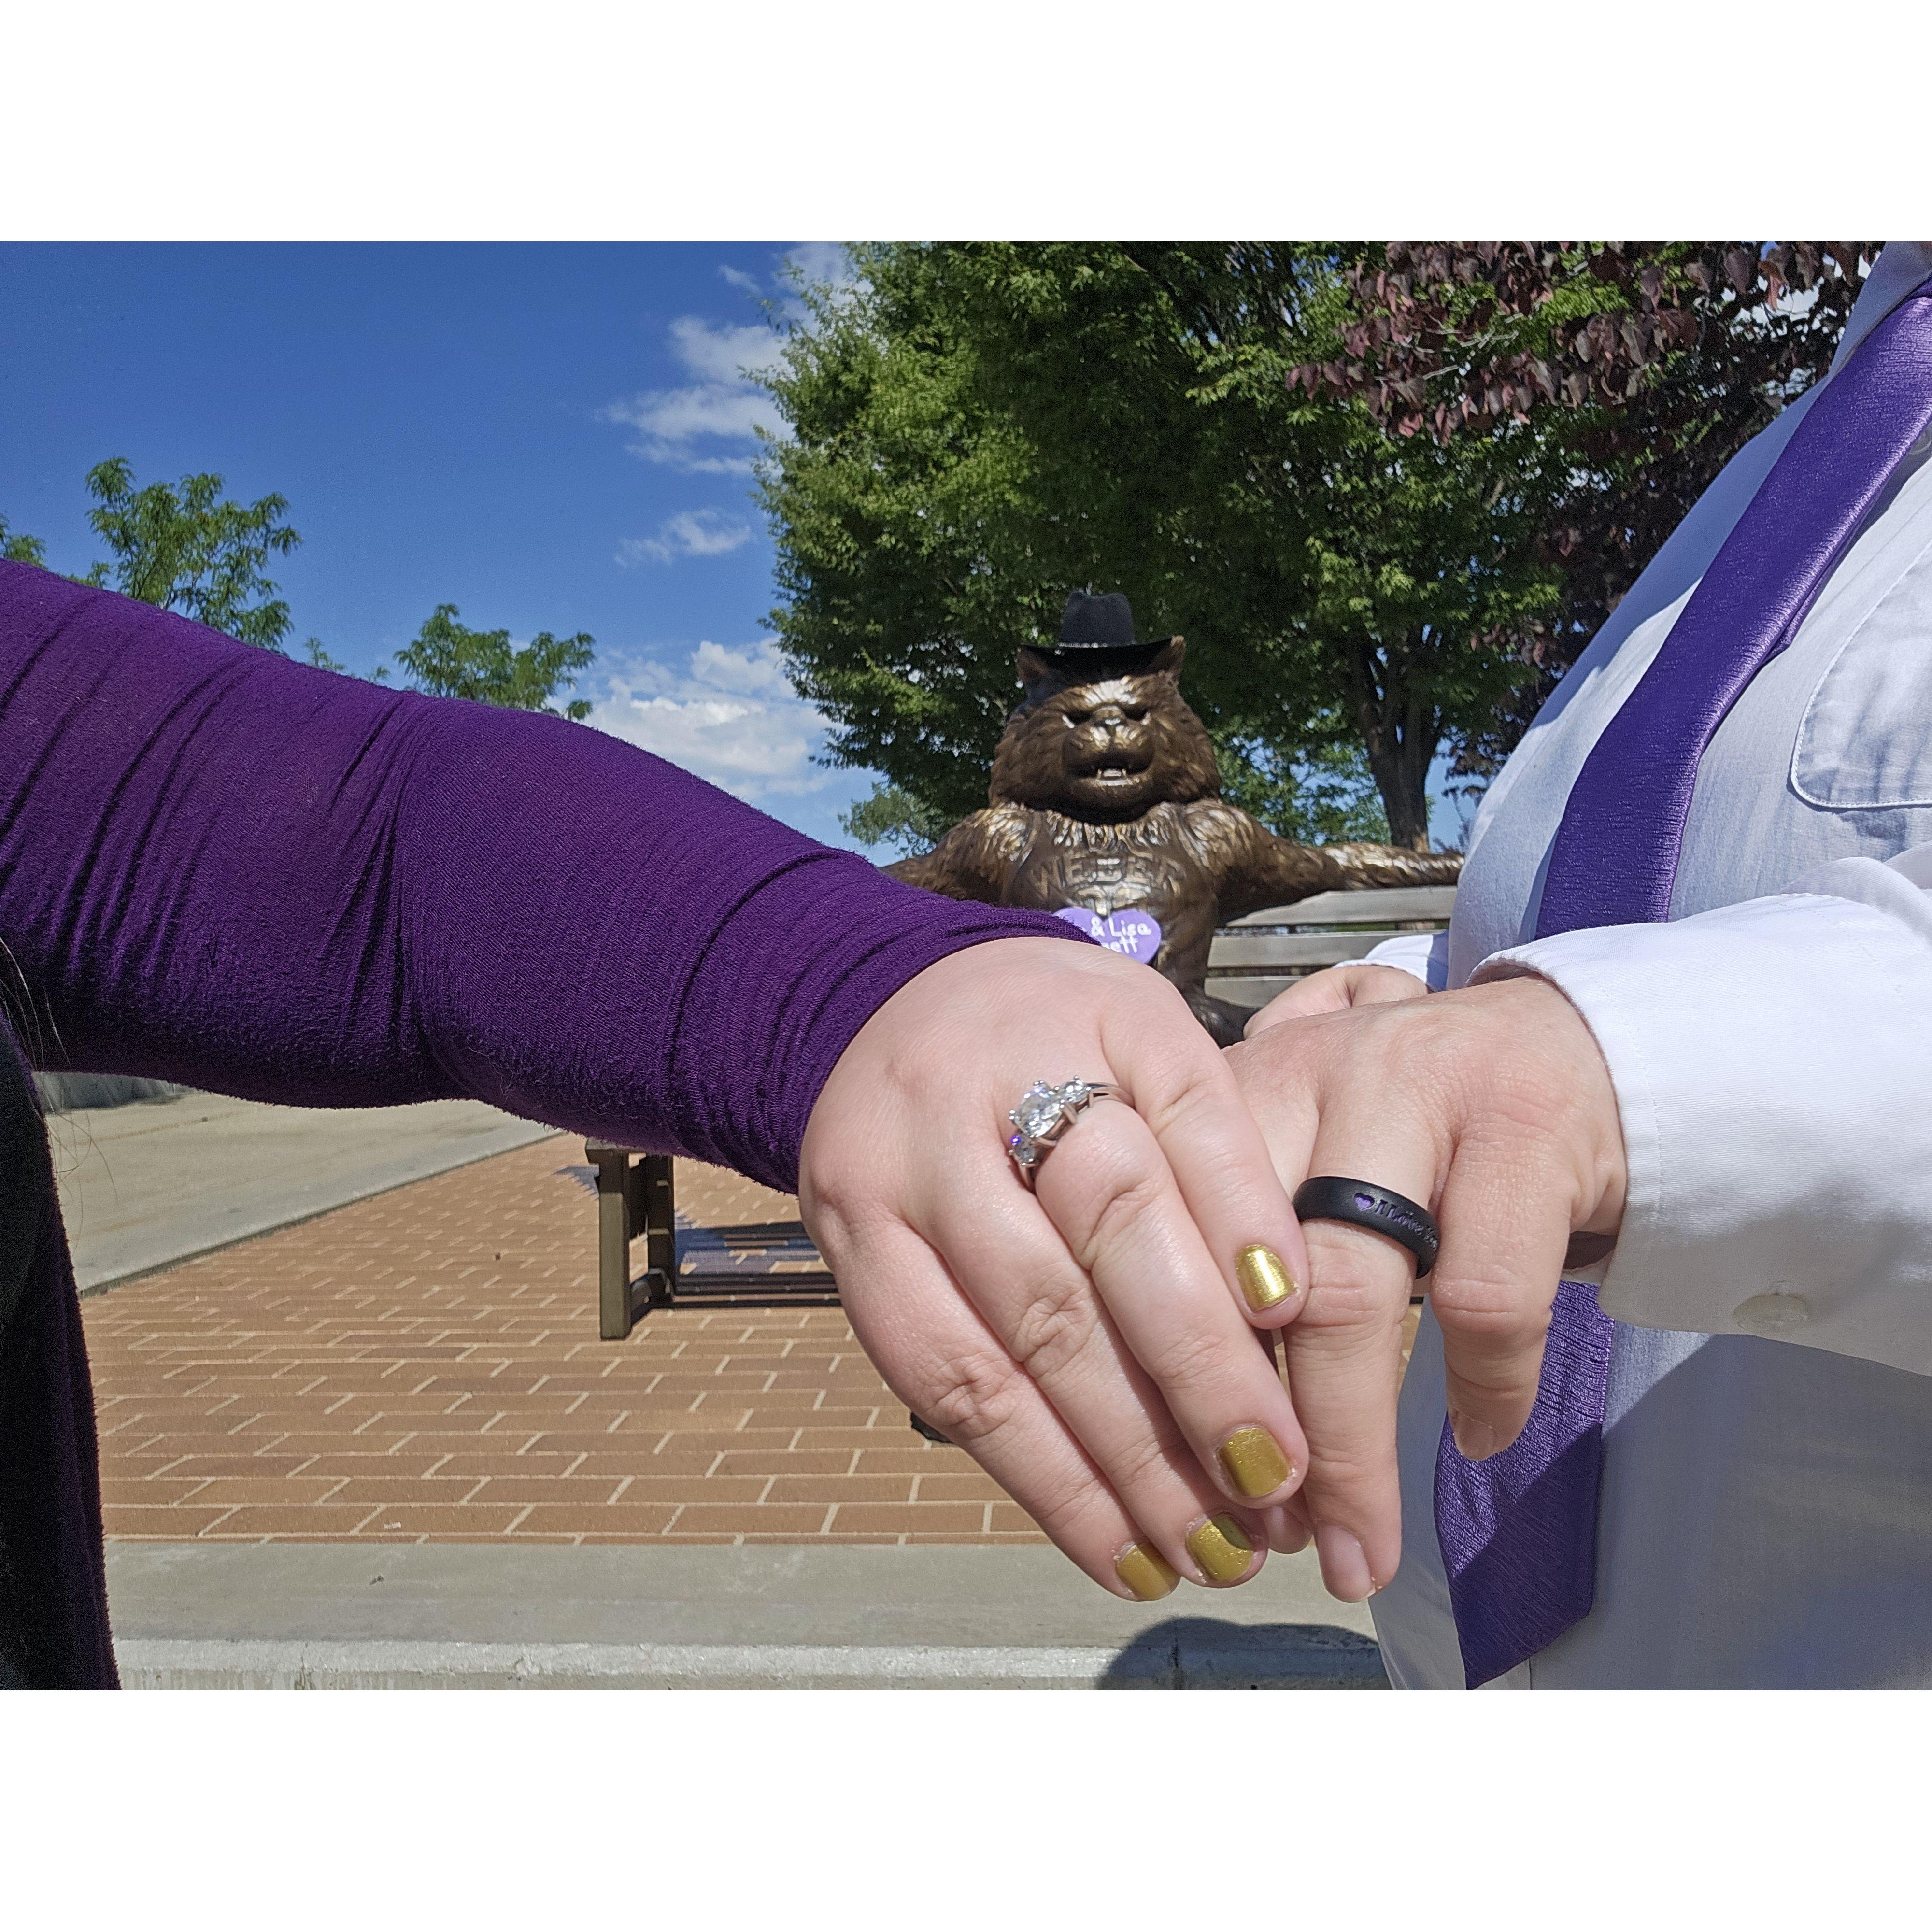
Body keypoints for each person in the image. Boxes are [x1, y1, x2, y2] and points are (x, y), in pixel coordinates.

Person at [0, 560, 1319, 1688]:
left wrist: (879, 987)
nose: (1105, 739)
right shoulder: (994, 830)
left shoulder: (1210, 829)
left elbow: (367, 840)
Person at [1223, 241, 1932, 1687]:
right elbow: (1669, 887)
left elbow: (1639, 1029)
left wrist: (1617, 1077)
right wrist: (1431, 994)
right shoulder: (1805, 453)